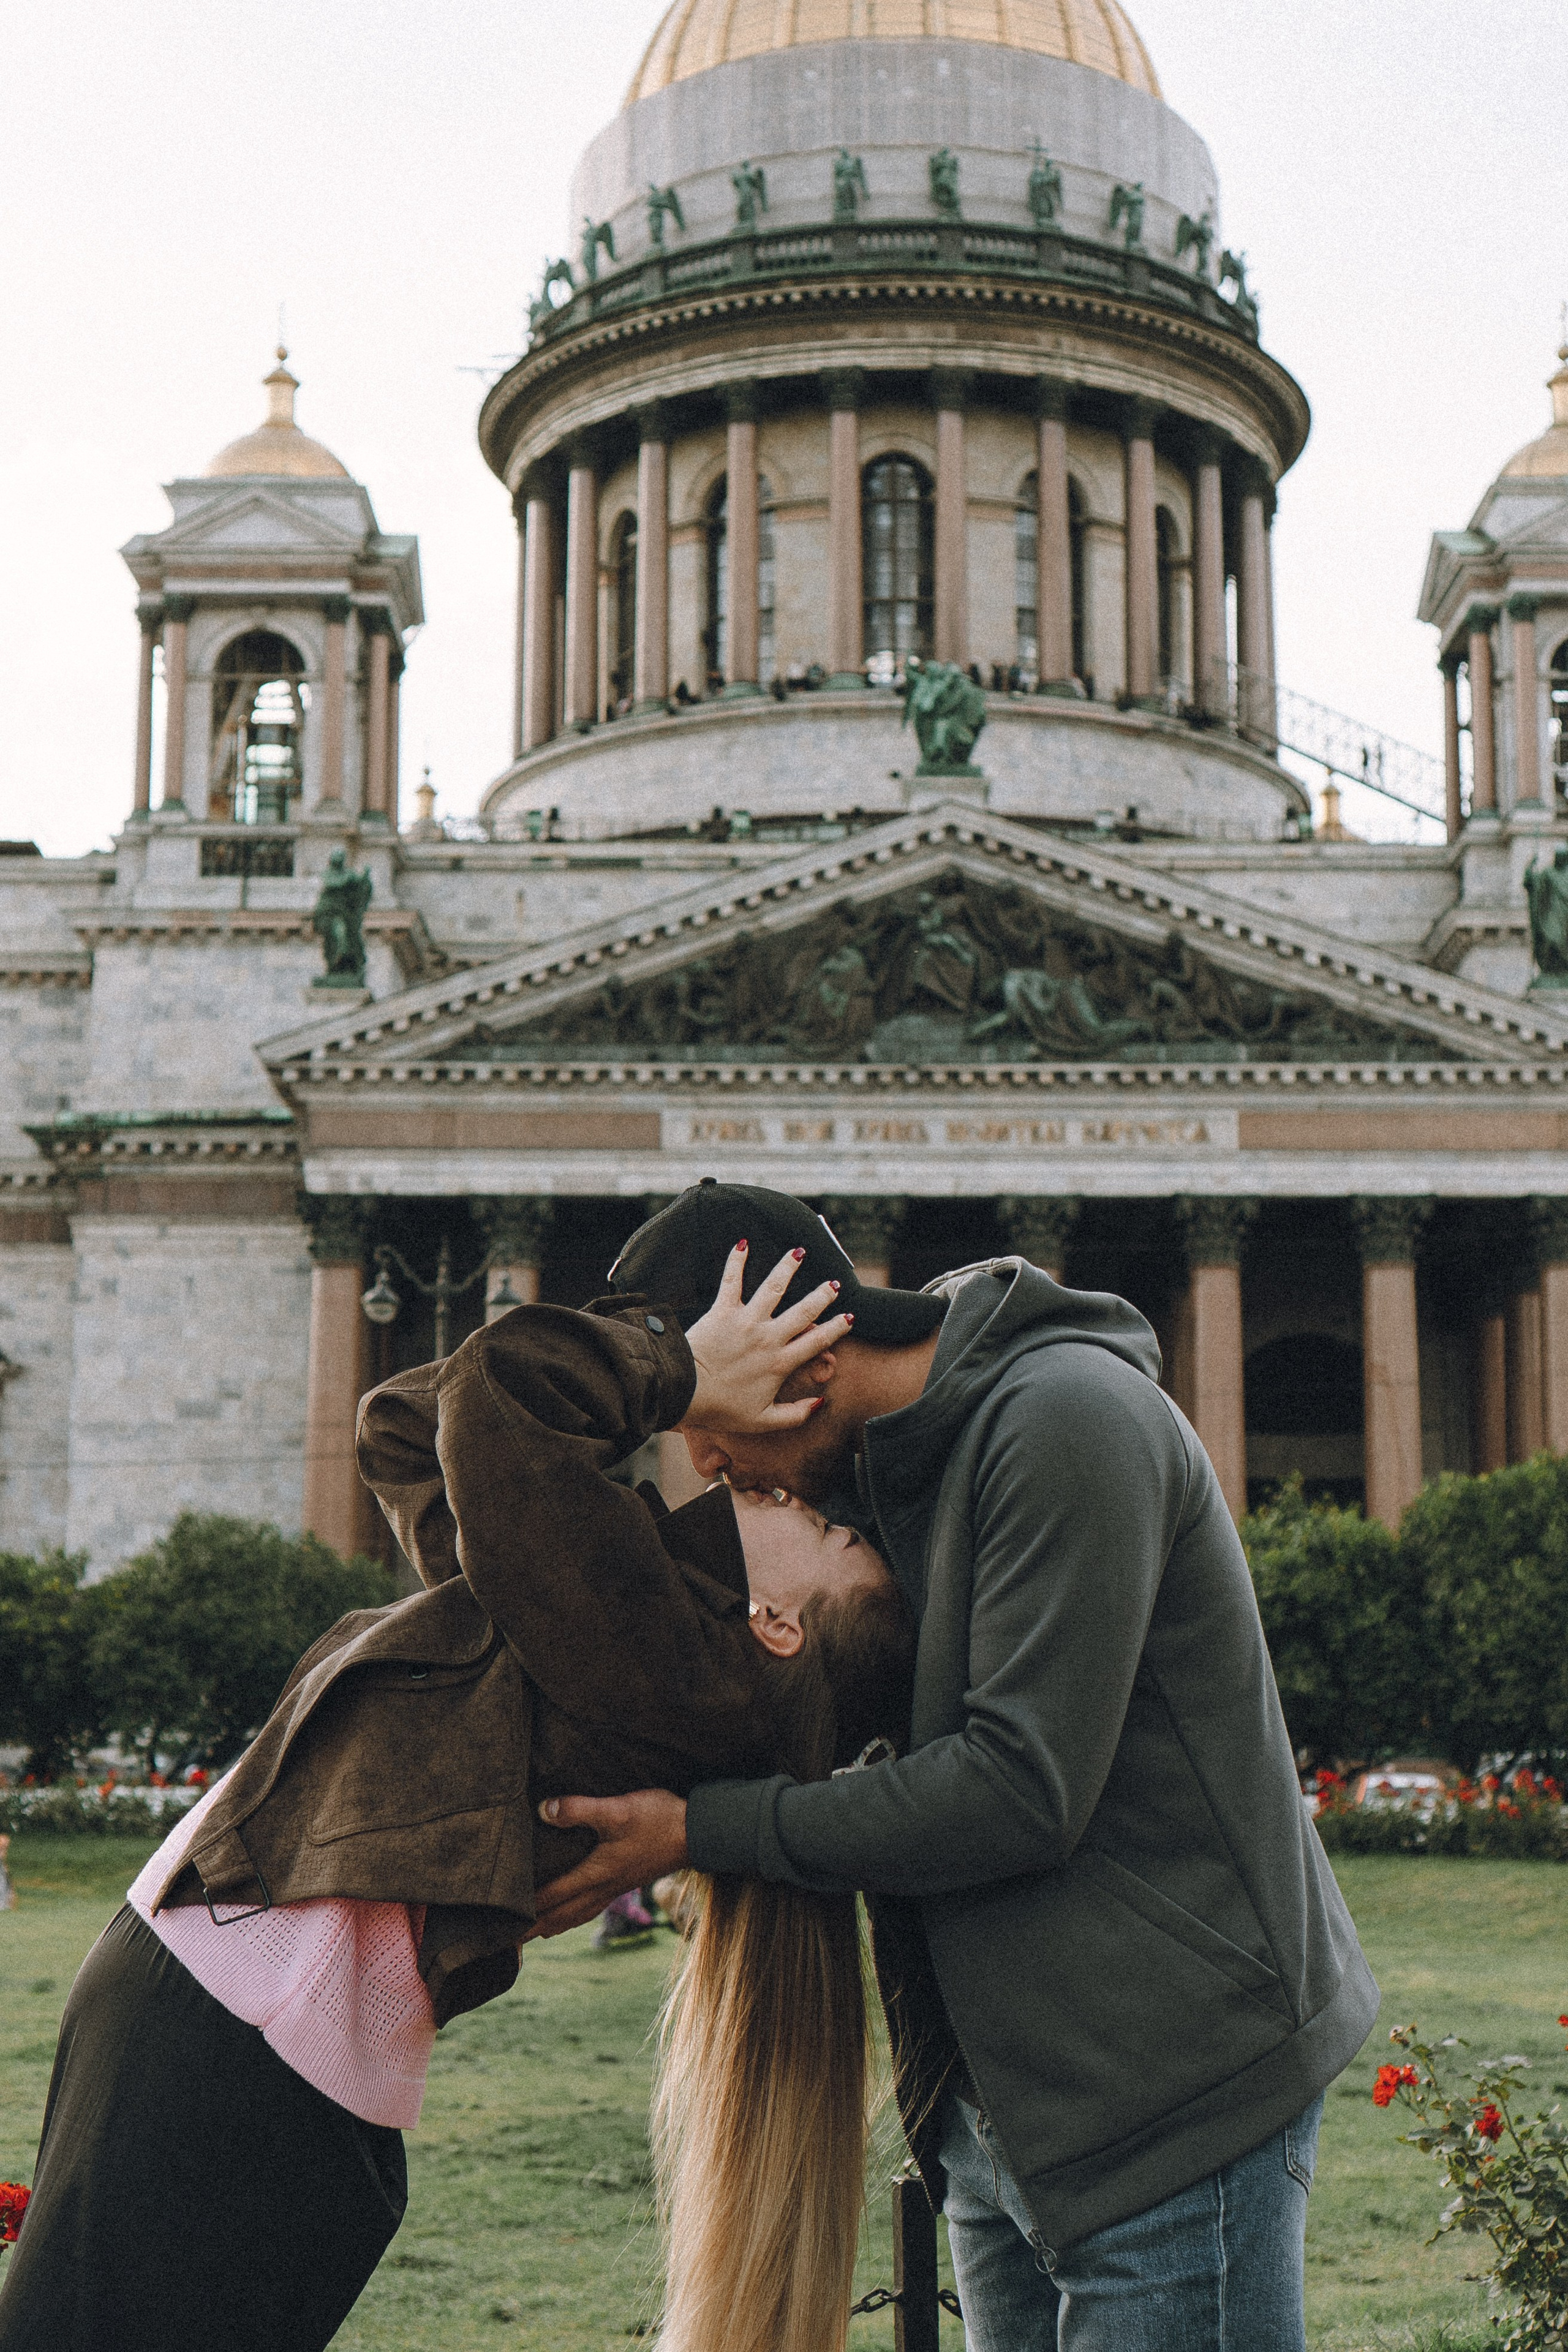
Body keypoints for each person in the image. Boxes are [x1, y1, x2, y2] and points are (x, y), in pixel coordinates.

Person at [531, 1182, 1382, 2352]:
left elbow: (1021, 1790)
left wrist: (700, 1830)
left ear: (807, 1367)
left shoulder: (1066, 1418)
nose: (710, 1469)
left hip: (1173, 2103)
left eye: (711, 1431)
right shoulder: (879, 1482)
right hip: (1000, 2124)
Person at [0, 1267, 914, 2352]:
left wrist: (682, 1370)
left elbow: (500, 1398)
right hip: (257, 2032)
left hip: (237, 2028)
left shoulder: (665, 1665)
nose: (783, 1494)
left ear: (775, 1627)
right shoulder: (592, 1639)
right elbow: (406, 1430)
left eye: (828, 1532)